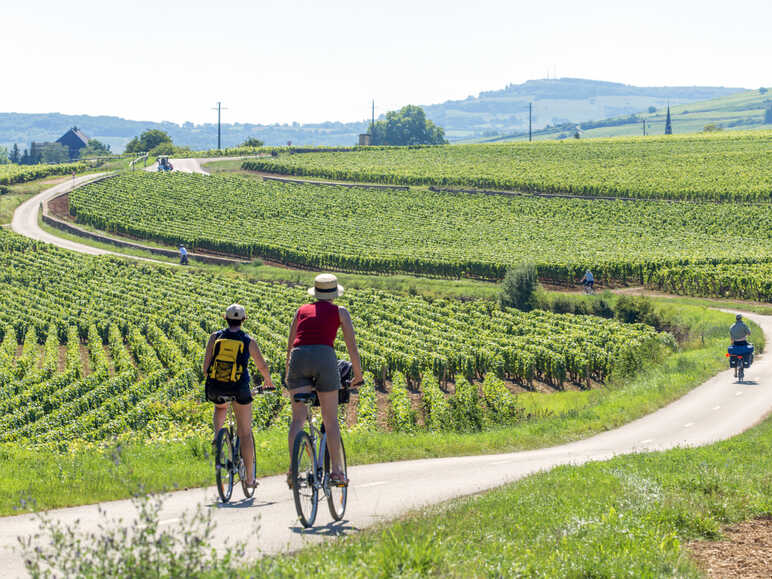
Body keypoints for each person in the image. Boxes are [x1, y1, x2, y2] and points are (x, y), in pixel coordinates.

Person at [285, 273, 364, 487]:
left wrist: (287, 372)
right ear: (334, 294)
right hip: (324, 357)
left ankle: (293, 470)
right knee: (330, 421)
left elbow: (291, 343)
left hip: (298, 358)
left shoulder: (301, 310)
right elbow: (351, 346)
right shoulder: (340, 312)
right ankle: (337, 471)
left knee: (297, 420)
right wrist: (358, 375)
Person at [203, 304, 275, 489]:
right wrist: (268, 381)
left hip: (215, 388)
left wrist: (217, 381)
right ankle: (250, 479)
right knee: (244, 433)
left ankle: (218, 437)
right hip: (239, 388)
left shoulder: (215, 337)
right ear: (243, 320)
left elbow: (205, 368)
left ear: (225, 319)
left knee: (220, 406)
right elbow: (262, 366)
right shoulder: (247, 340)